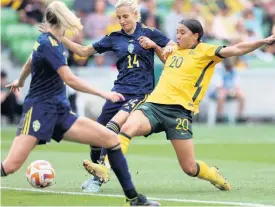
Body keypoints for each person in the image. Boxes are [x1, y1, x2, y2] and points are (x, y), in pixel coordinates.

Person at [84, 19, 275, 191]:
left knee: (189, 168)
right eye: (177, 31)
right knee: (126, 127)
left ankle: (213, 175)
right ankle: (105, 169)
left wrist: (264, 41)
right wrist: (155, 47)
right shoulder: (173, 50)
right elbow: (167, 61)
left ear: (195, 35)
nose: (177, 36)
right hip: (154, 105)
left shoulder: (206, 51)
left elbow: (237, 49)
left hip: (179, 113)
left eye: (182, 32)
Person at [0, 1, 160, 206]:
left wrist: (20, 81)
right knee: (11, 165)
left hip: (61, 112)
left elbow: (32, 59)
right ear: (63, 19)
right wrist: (104, 93)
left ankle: (134, 198)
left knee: (111, 139)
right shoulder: (48, 43)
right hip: (39, 111)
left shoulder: (55, 41)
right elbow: (70, 79)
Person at [39, 0, 174, 192]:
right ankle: (97, 175)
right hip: (118, 92)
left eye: (125, 16)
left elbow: (173, 49)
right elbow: (83, 51)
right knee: (96, 135)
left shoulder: (150, 33)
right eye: (119, 17)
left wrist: (158, 47)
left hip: (140, 93)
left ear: (135, 15)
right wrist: (58, 36)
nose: (122, 20)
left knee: (112, 128)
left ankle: (99, 179)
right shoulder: (114, 37)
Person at [209, 59, 246, 123]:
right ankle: (220, 117)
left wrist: (233, 91)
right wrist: (228, 91)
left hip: (230, 91)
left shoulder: (234, 71)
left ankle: (239, 117)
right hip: (217, 92)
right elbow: (219, 86)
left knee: (242, 96)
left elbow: (236, 85)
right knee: (221, 95)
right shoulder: (219, 71)